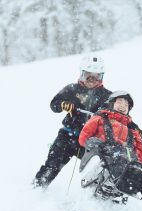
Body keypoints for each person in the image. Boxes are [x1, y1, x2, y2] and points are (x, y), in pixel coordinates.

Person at [33, 55, 112, 188]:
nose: (92, 79)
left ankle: (96, 199)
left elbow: (118, 116)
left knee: (99, 169)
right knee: (52, 165)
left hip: (91, 141)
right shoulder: (71, 89)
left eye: (96, 76)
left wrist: (132, 126)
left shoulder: (108, 96)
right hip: (68, 135)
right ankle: (37, 188)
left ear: (101, 77)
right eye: (88, 75)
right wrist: (63, 104)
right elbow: (54, 105)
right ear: (82, 73)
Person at [78, 91, 142, 195]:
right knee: (118, 154)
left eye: (126, 105)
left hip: (121, 159)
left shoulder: (132, 131)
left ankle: (129, 184)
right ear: (111, 104)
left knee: (128, 158)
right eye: (119, 102)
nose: (123, 106)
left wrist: (137, 163)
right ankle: (112, 181)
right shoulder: (100, 119)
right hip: (99, 155)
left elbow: (140, 152)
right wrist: (95, 144)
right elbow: (84, 137)